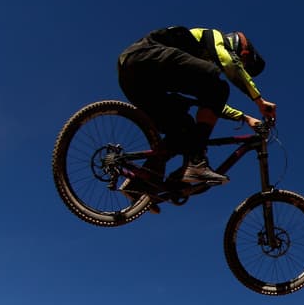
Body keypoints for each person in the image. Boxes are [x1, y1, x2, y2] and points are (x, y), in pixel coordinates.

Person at [115, 26, 276, 195]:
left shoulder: (188, 64)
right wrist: (259, 100)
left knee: (184, 128)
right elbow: (228, 62)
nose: (240, 65)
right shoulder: (213, 36)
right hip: (143, 57)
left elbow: (211, 104)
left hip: (132, 78)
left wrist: (244, 117)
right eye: (243, 61)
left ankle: (140, 185)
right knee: (218, 87)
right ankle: (196, 162)